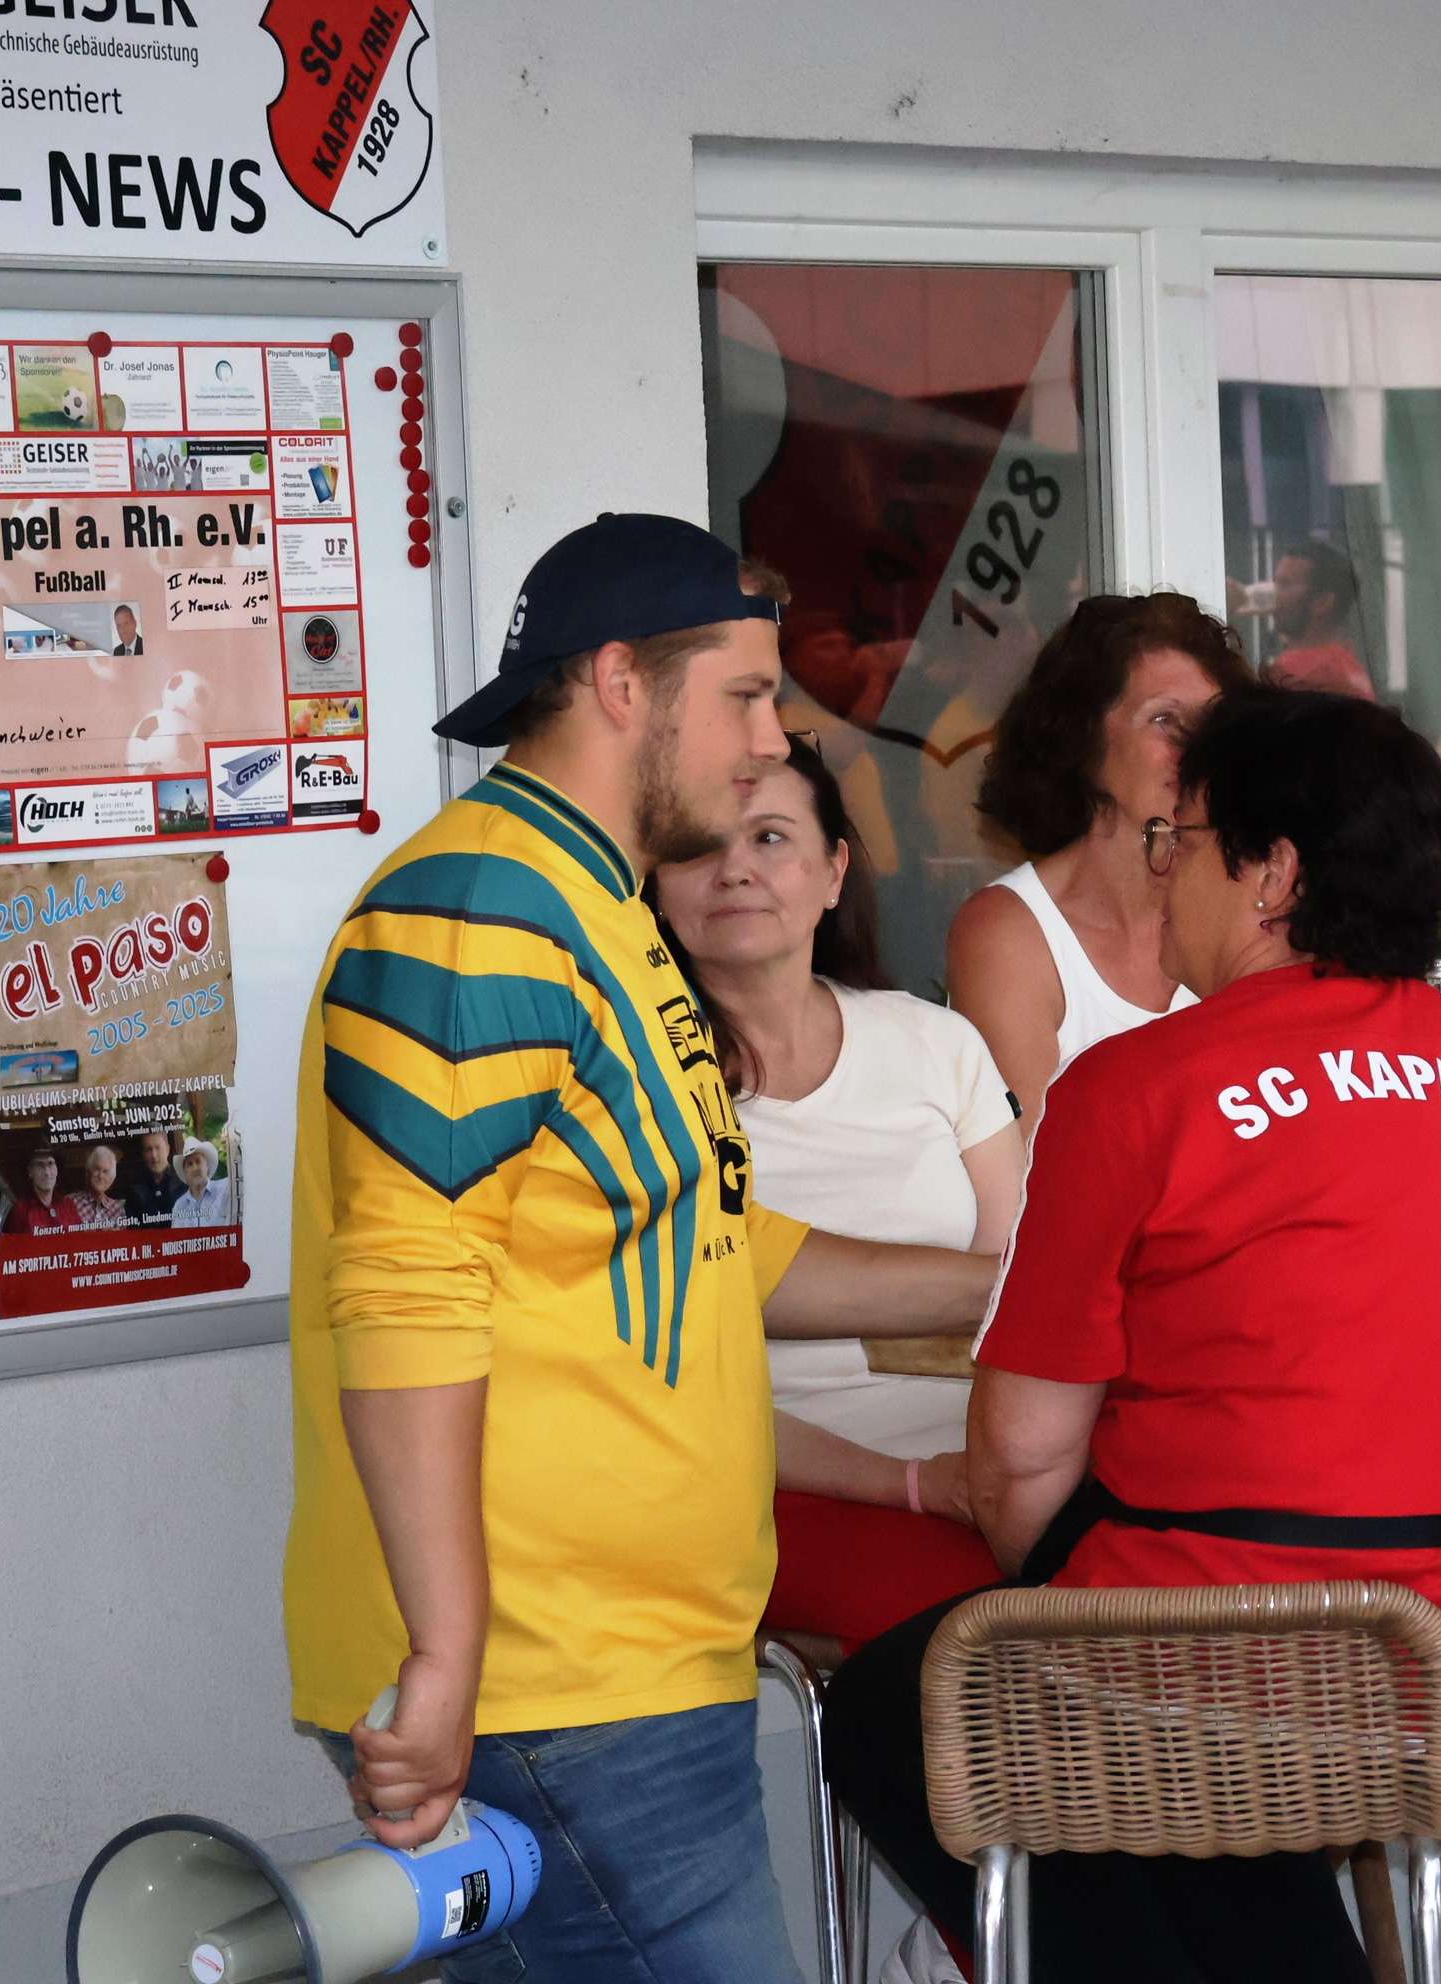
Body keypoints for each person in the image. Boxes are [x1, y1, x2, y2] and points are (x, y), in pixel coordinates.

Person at [828, 687, 1441, 1981]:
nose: (1160, 873)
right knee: (1185, 1781)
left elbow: (1020, 1461)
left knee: (905, 1706)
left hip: (1229, 1670)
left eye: (1180, 839)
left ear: (1273, 875)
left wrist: (1065, 1577)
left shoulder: (1134, 1087)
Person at [283, 513, 999, 1984]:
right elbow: (408, 1292)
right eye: (744, 694)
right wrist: (445, 1654)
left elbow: (707, 1242)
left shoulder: (595, 907)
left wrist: (1021, 1288)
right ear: (621, 682)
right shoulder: (480, 914)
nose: (772, 737)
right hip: (553, 1686)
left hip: (625, 1675)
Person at [651, 745, 1021, 1648]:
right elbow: (673, 1379)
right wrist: (917, 1485)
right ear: (653, 886)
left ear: (833, 872)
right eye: (699, 847)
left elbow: (1024, 1292)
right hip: (778, 1484)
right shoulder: (640, 1084)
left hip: (996, 1460)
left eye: (771, 838)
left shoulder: (937, 1044)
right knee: (982, 1637)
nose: (735, 869)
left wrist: (1001, 1471)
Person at [945, 591, 1254, 1113]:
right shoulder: (1009, 931)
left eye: (1213, 725)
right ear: (1083, 736)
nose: (1198, 749)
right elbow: (1028, 1158)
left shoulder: (1246, 904)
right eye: (1165, 720)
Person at [1262, 537, 1374, 699]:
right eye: (1276, 584)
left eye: (1285, 585)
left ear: (1322, 602)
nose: (1274, 595)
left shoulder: (1297, 671)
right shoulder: (1348, 667)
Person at [1, 1149, 79, 1236]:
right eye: (40, 1165)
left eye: (50, 1163)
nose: (47, 1172)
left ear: (57, 1169)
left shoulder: (68, 1204)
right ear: (30, 1172)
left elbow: (80, 1238)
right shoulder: (21, 1209)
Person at [169, 1138, 234, 1228]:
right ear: (185, 1173)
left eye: (198, 1161)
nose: (195, 1168)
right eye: (190, 1164)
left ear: (207, 1165)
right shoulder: (179, 1206)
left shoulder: (225, 1188)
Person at [121, 1128, 182, 1224]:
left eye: (158, 1148)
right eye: (148, 1149)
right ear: (143, 1154)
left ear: (168, 1149)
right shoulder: (134, 1191)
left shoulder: (183, 1182)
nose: (154, 1155)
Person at [68, 1141, 132, 1228]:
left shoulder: (118, 1209)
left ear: (112, 1177)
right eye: (97, 1169)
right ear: (89, 1171)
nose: (101, 1176)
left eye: (105, 1171)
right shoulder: (72, 1202)